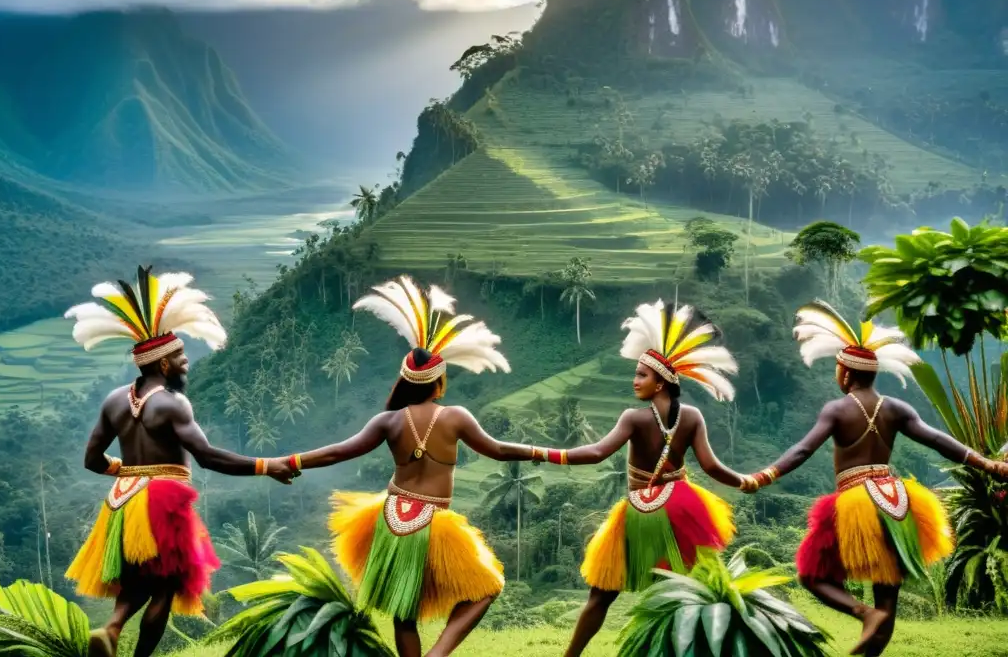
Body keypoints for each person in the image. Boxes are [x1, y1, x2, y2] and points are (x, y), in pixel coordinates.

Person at [287, 276, 545, 657]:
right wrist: (548, 453)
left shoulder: (388, 421)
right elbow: (499, 450)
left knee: (403, 613)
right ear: (438, 382)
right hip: (433, 521)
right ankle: (437, 654)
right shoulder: (455, 417)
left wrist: (289, 461)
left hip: (391, 516)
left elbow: (337, 452)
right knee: (488, 588)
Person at [743, 300, 1008, 656]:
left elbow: (803, 450)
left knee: (812, 575)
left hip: (856, 500)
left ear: (847, 374)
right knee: (888, 596)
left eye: (838, 370)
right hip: (897, 501)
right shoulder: (898, 409)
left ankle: (860, 611)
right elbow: (939, 440)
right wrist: (987, 464)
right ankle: (871, 622)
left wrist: (765, 474)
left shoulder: (837, 409)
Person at [63, 266, 296, 657]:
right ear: (164, 364)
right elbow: (207, 457)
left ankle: (113, 628)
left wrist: (126, 471)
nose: (186, 363)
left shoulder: (114, 401)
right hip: (163, 500)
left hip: (122, 501)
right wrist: (266, 465)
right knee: (166, 588)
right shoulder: (172, 403)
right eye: (181, 357)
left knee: (135, 584)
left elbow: (91, 459)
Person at [543, 300, 754, 657]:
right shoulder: (692, 418)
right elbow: (713, 468)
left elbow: (596, 453)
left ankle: (570, 656)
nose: (635, 380)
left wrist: (540, 453)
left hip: (642, 511)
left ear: (660, 383)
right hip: (684, 509)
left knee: (600, 595)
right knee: (691, 590)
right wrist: (747, 481)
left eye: (642, 374)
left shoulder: (633, 418)